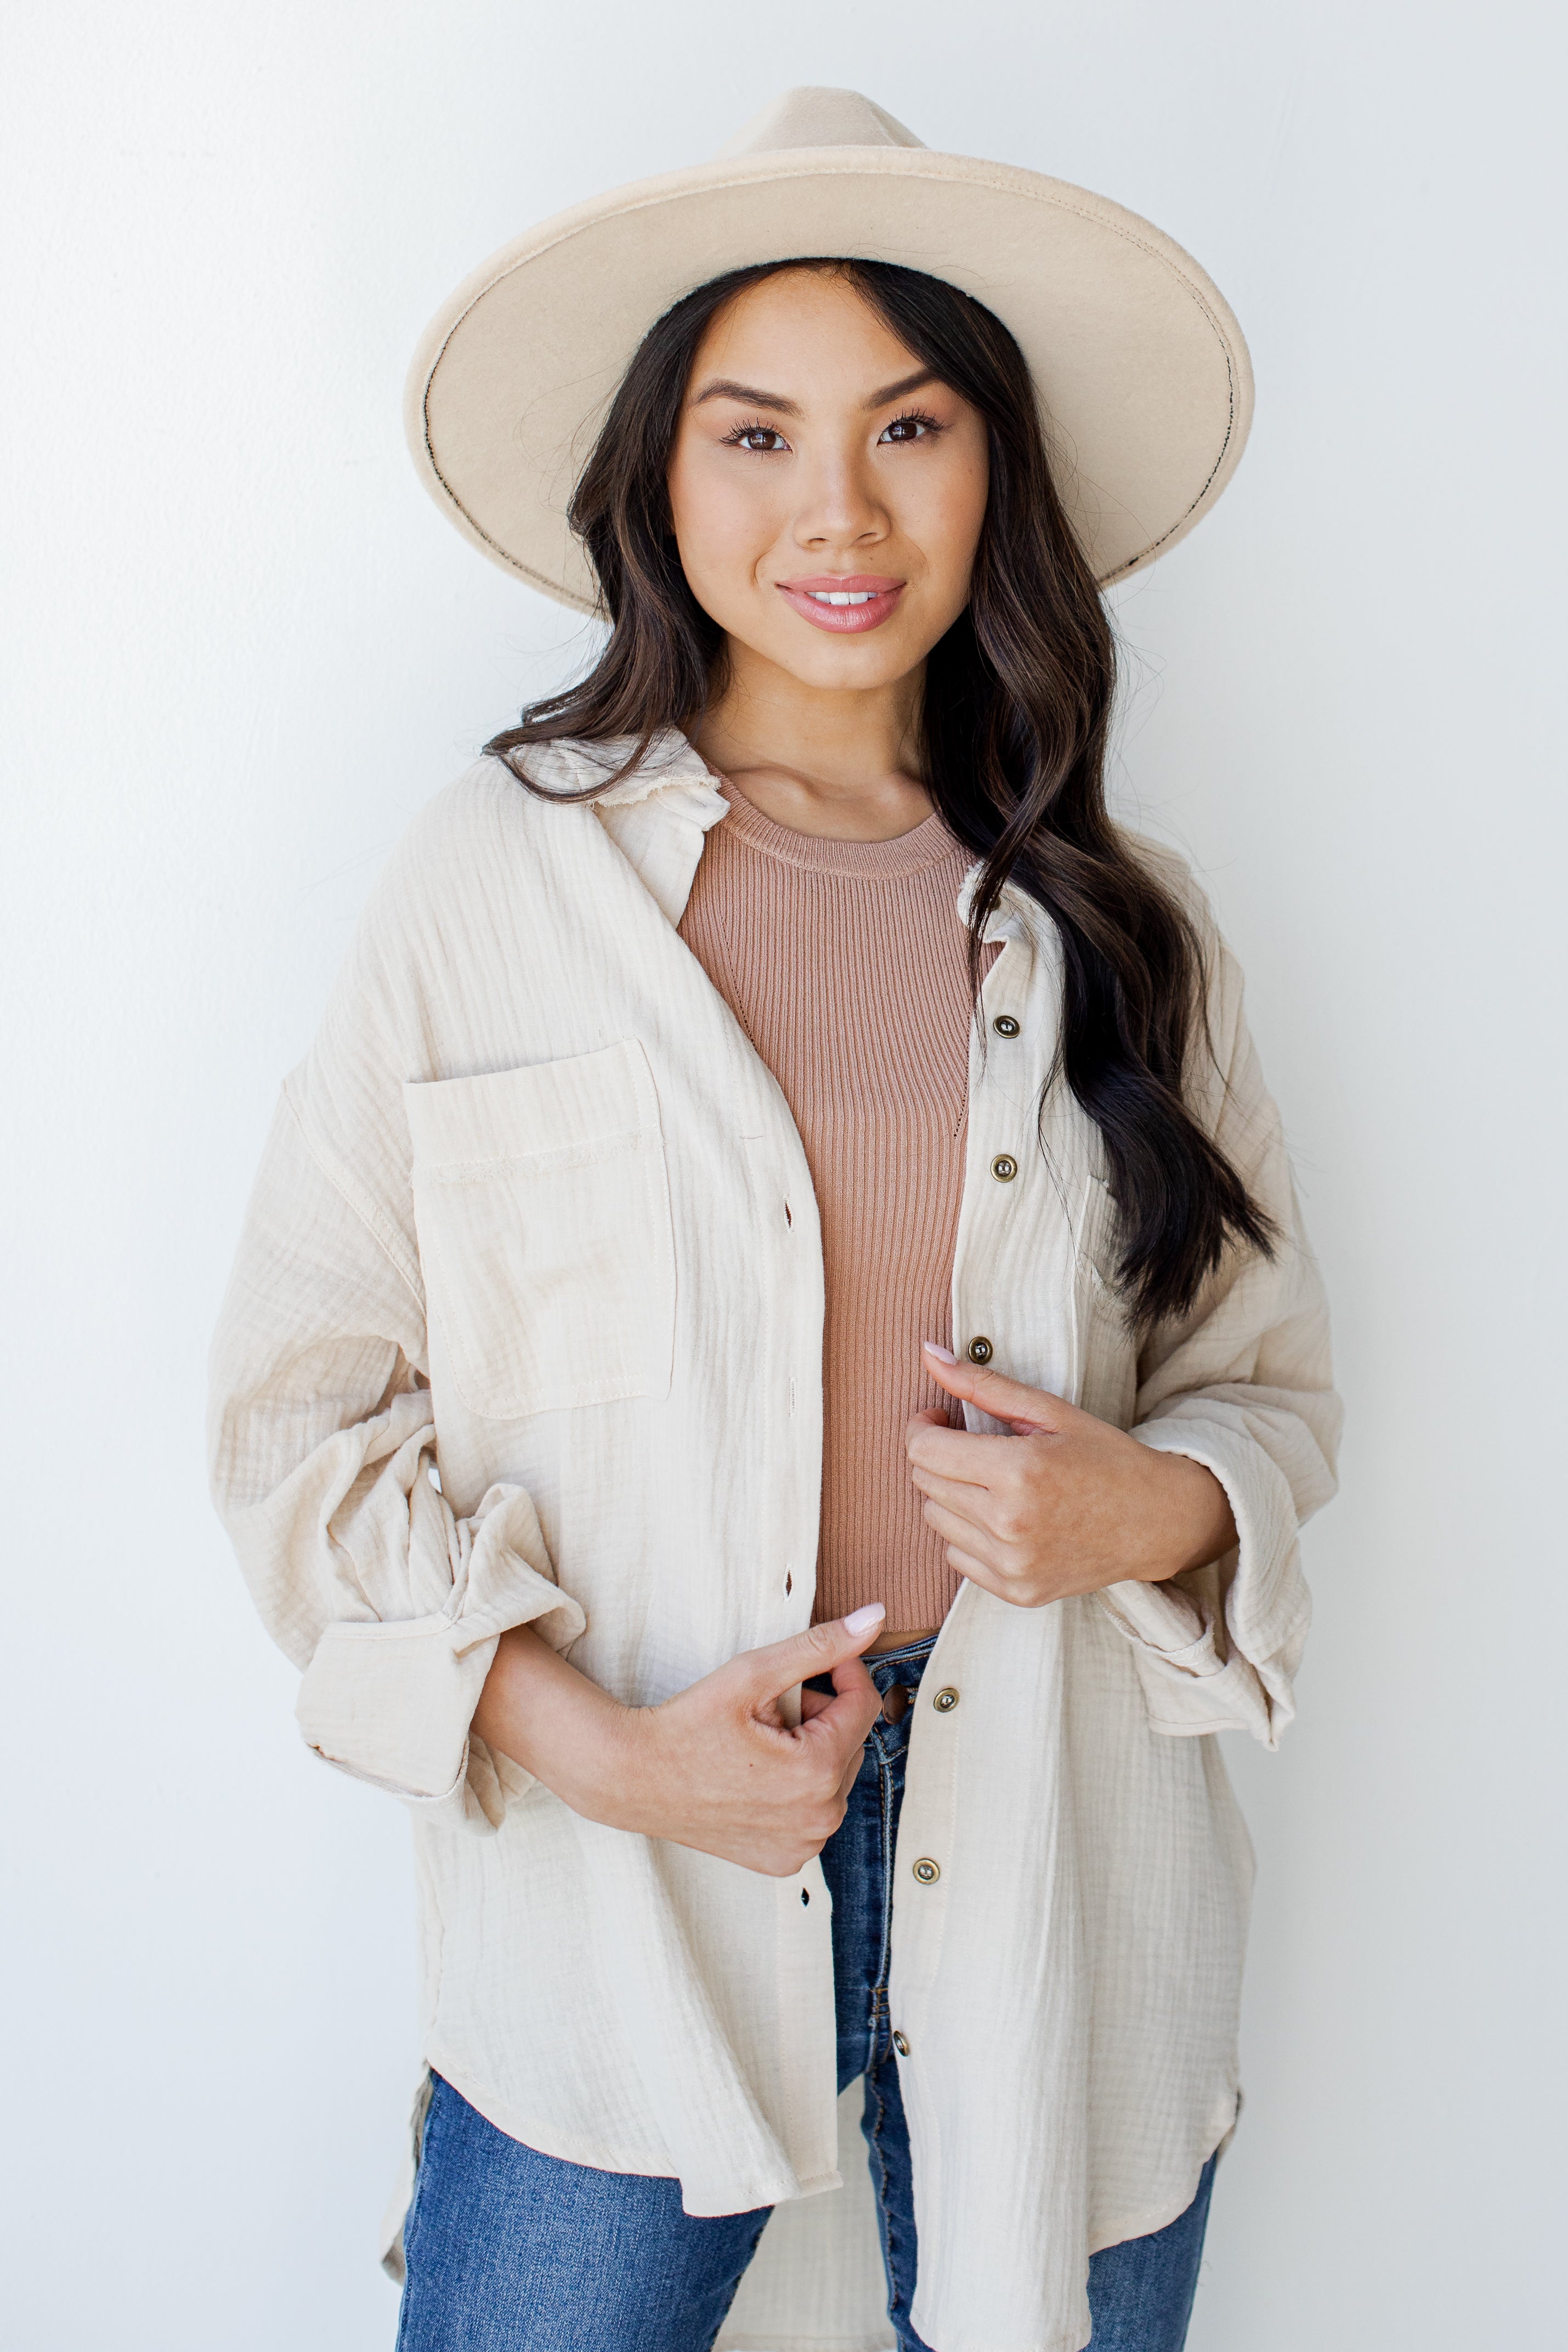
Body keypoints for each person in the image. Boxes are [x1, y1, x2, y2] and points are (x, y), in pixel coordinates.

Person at [209, 86, 1339, 2352]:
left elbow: (1272, 1393)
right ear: (657, 477)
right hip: (604, 1885)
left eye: (908, 425)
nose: (836, 507)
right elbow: (306, 1421)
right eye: (754, 433)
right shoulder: (491, 885)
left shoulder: (1126, 929)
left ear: (993, 470)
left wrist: (1147, 1507)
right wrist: (597, 1743)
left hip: (1067, 1882)